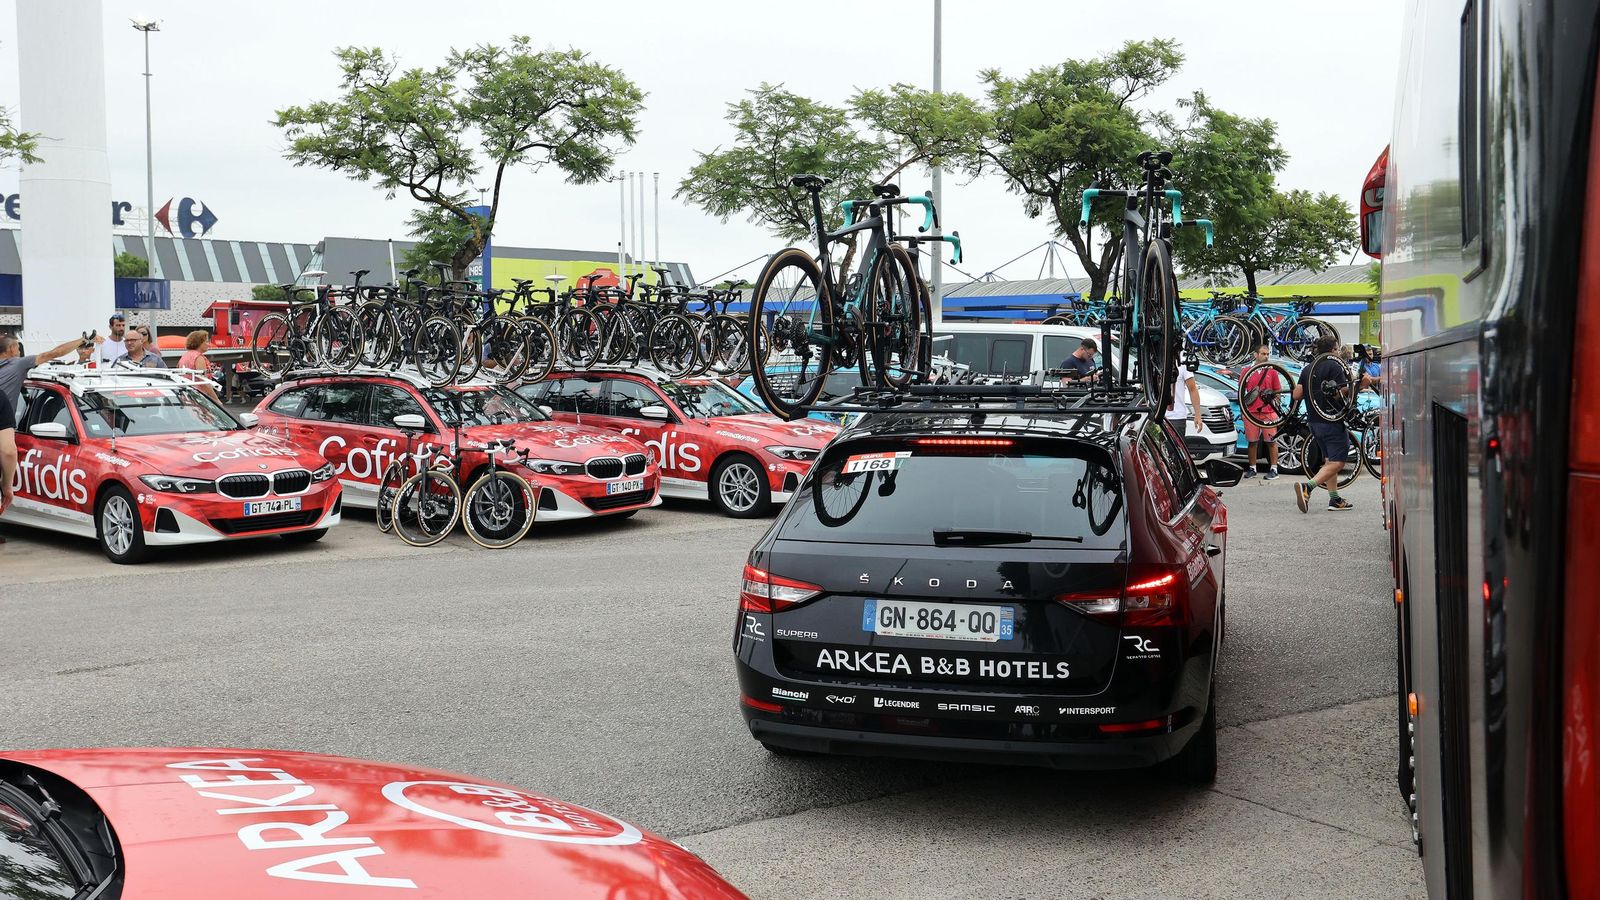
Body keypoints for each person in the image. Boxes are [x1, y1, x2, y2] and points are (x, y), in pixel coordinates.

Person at [1293, 335, 1354, 512]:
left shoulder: (1307, 368)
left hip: (1313, 421)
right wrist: (1354, 387)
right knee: (1338, 463)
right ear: (1334, 349)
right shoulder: (1335, 365)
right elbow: (1338, 393)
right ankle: (1308, 487)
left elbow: (1297, 395)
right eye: (1337, 349)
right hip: (1331, 420)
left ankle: (1334, 500)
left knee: (1329, 461)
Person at [0, 333, 93, 416]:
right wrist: (83, 340)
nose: (20, 352)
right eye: (18, 348)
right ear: (11, 349)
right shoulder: (17, 364)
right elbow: (54, 353)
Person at [1238, 343, 1282, 480]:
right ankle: (1252, 468)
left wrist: (1275, 405)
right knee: (1252, 442)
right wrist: (1243, 410)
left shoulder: (1272, 371)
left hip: (1268, 412)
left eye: (1268, 354)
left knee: (1271, 441)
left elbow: (1278, 391)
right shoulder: (1246, 371)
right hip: (1251, 412)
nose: (1266, 356)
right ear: (1255, 355)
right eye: (1263, 353)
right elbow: (1240, 391)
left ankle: (1274, 468)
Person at [179, 330, 220, 401]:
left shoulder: (185, 355)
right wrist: (216, 400)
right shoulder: (198, 357)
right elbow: (204, 381)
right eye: (206, 341)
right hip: (198, 396)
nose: (208, 344)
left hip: (187, 394)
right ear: (199, 343)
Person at [1167, 360, 1205, 435]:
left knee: (1175, 446)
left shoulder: (1181, 363)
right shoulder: (1151, 360)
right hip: (1155, 417)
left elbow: (1193, 389)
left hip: (1176, 417)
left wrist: (1197, 415)